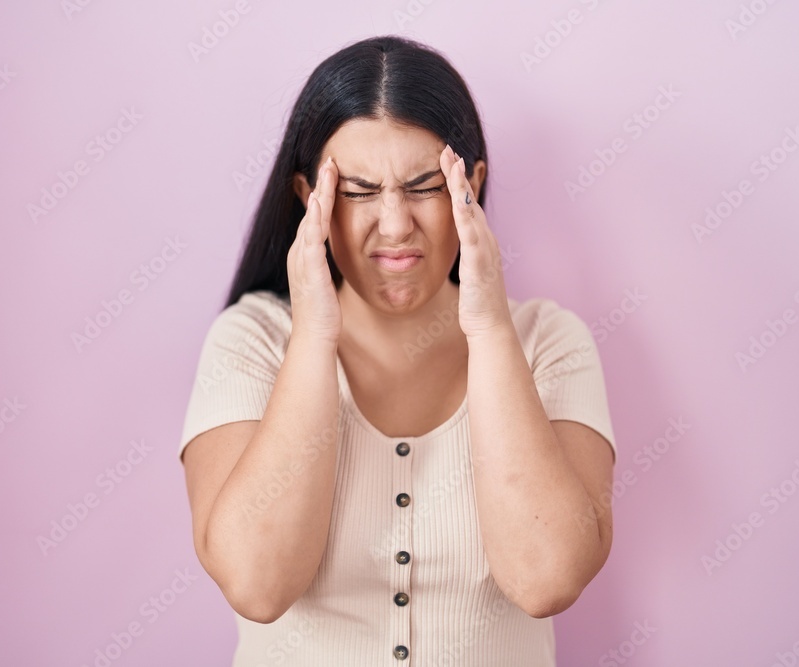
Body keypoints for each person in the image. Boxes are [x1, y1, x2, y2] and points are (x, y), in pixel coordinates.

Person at [178, 34, 617, 667]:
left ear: (473, 185)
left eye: (423, 186)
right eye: (357, 191)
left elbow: (546, 578)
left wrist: (491, 329)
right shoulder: (252, 343)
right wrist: (313, 338)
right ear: (309, 198)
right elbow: (257, 584)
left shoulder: (550, 343)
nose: (394, 225)